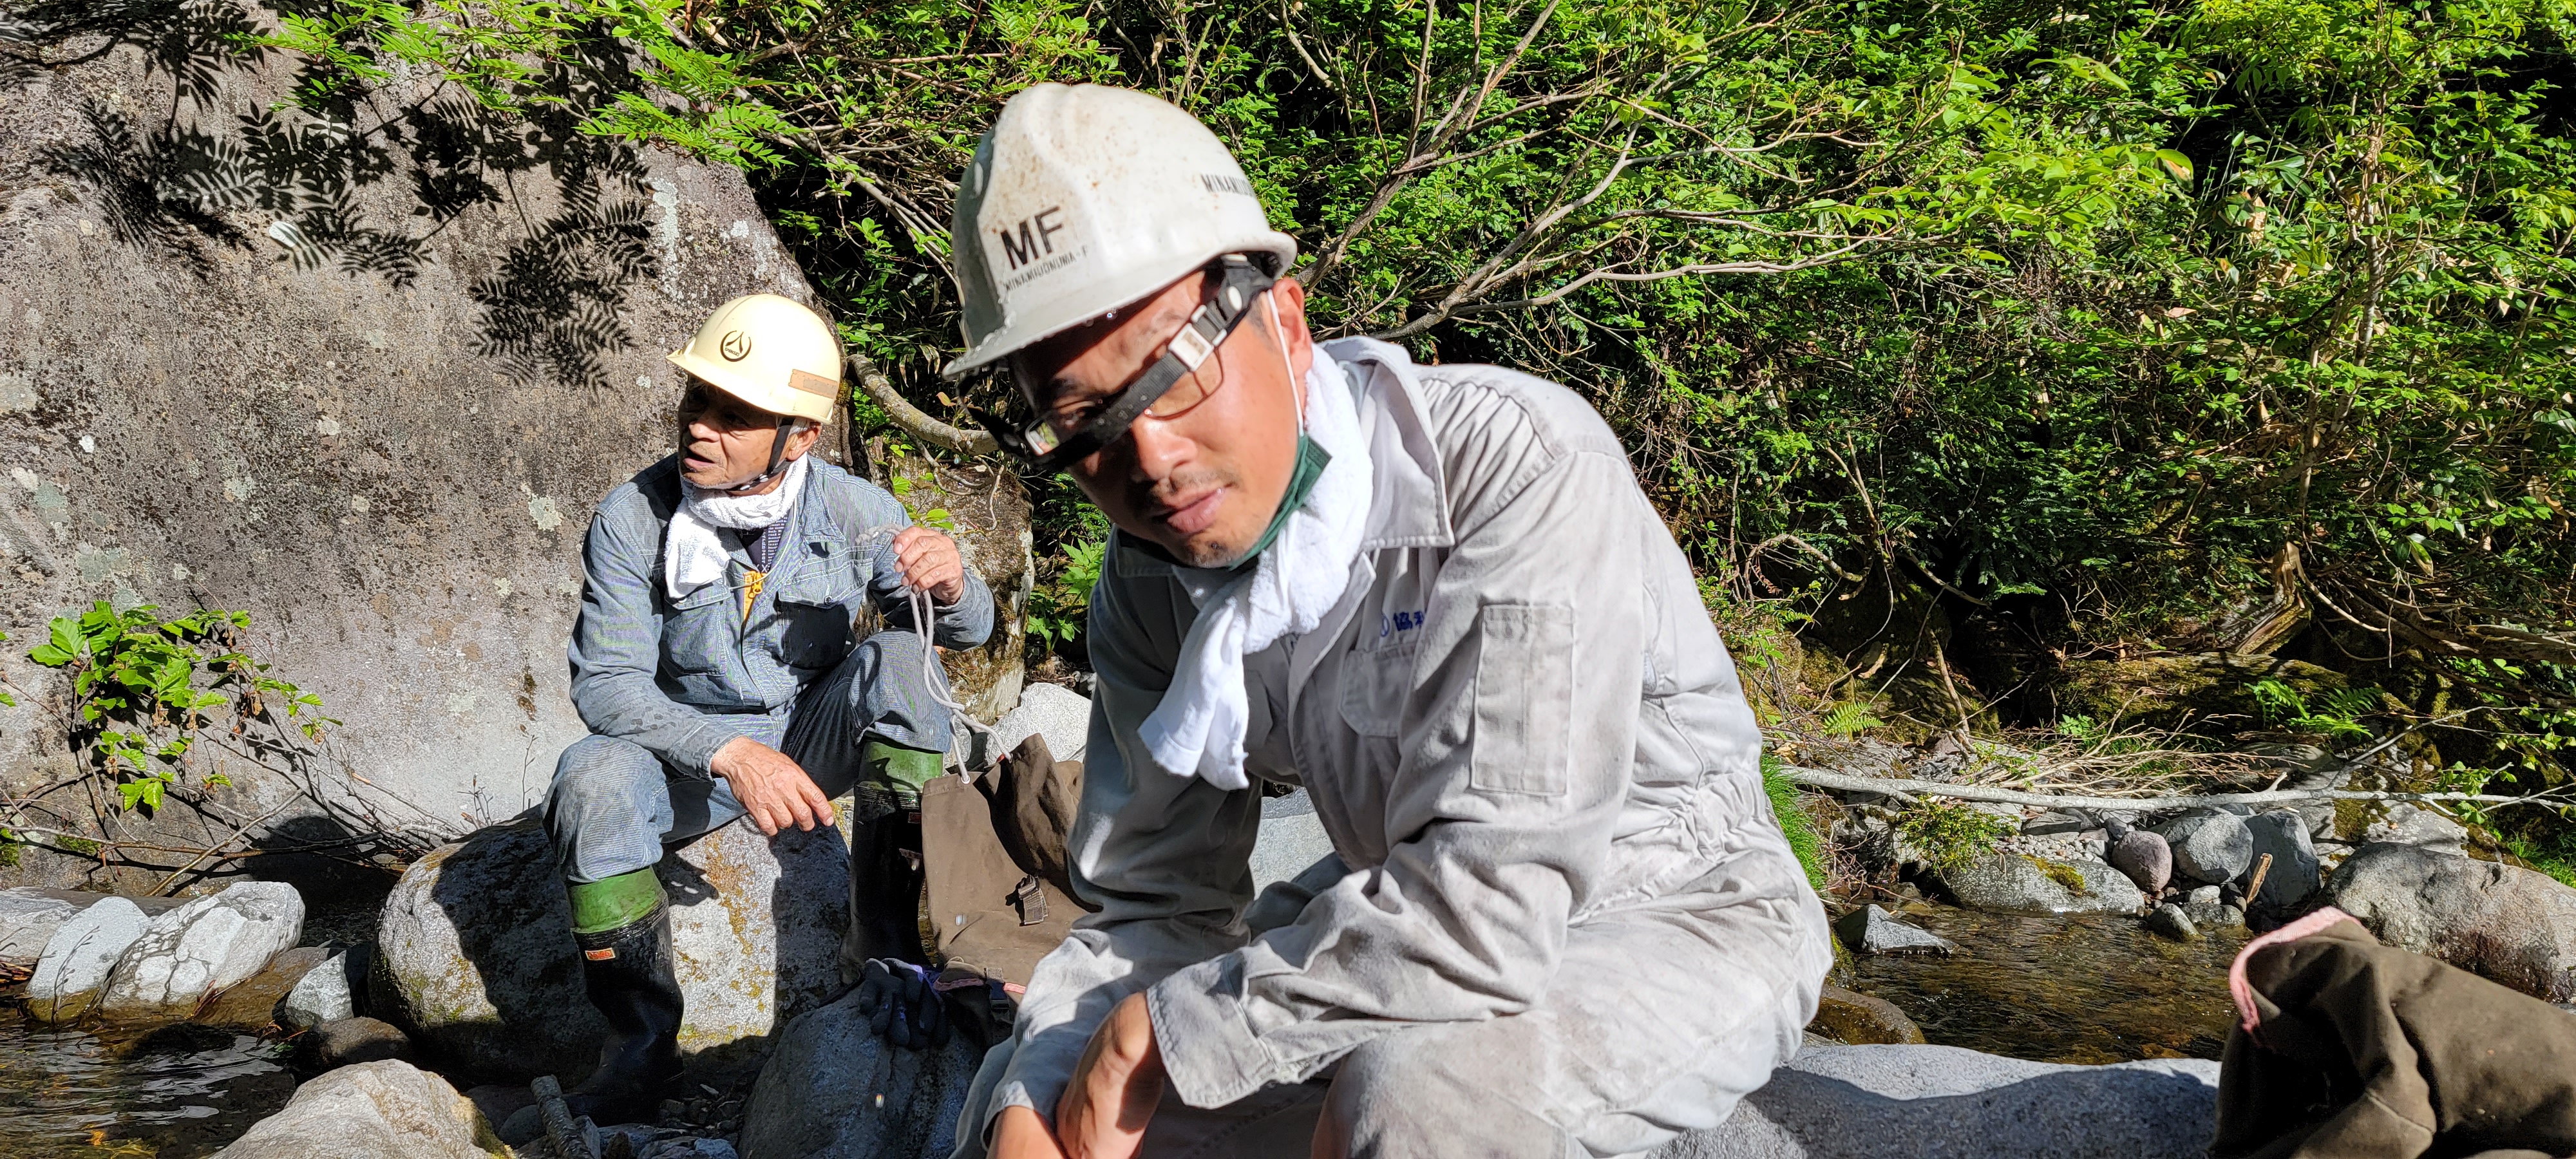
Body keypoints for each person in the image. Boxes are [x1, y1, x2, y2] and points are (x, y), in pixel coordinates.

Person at [942, 85, 1833, 1159]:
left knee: (1414, 1100)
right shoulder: (1147, 587)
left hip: (1677, 907)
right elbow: (1152, 904)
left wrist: (1174, 1028)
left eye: (1174, 374)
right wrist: (1044, 1090)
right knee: (1028, 1086)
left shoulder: (1512, 466)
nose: (1150, 458)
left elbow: (1497, 897)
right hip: (1401, 906)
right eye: (1084, 423)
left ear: (1285, 319)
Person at [544, 292, 996, 1123]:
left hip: (808, 735)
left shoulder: (854, 510)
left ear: (800, 438)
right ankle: (640, 1044)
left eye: (734, 416)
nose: (699, 429)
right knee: (590, 777)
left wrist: (955, 581)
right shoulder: (631, 518)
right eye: (697, 402)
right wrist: (732, 755)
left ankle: (895, 952)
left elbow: (960, 633)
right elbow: (607, 687)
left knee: (899, 659)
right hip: (690, 762)